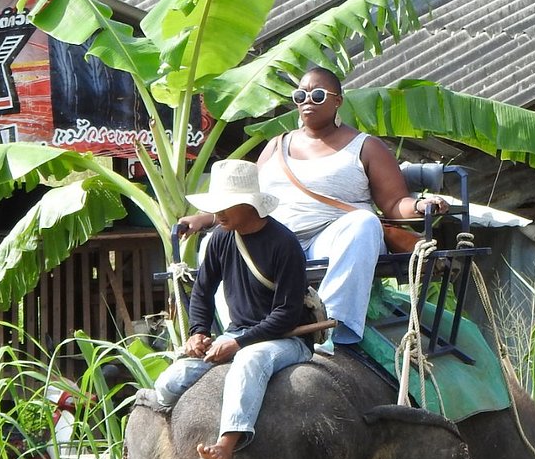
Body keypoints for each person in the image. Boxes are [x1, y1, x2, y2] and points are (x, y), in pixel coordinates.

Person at [181, 66, 448, 352]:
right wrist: (205, 218)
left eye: (318, 95)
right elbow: (243, 198)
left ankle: (331, 328)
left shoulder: (365, 146)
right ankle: (233, 331)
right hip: (274, 243)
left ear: (338, 101)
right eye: (300, 95)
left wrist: (420, 204)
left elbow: (395, 203)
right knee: (214, 240)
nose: (308, 100)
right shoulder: (276, 146)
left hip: (332, 241)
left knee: (364, 223)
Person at [154, 159, 311, 459]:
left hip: (286, 339)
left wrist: (238, 343)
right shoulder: (221, 238)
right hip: (237, 335)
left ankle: (226, 444)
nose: (219, 214)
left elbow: (287, 314)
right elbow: (202, 292)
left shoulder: (284, 243)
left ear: (249, 204)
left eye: (226, 205)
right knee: (169, 382)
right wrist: (198, 332)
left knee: (250, 361)